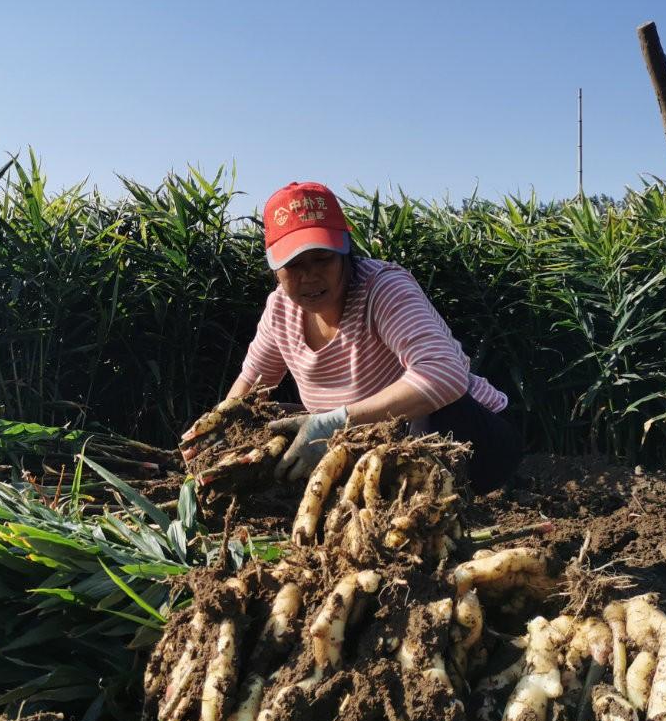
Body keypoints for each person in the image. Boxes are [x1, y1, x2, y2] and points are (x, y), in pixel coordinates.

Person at [192, 181, 521, 493]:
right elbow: (249, 390)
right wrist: (215, 442)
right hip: (368, 444)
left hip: (471, 435)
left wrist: (336, 422)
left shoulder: (382, 288)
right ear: (275, 268)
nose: (309, 276)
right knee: (272, 420)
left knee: (430, 419)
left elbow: (444, 374)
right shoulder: (281, 308)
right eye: (293, 265)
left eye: (322, 258)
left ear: (345, 251)